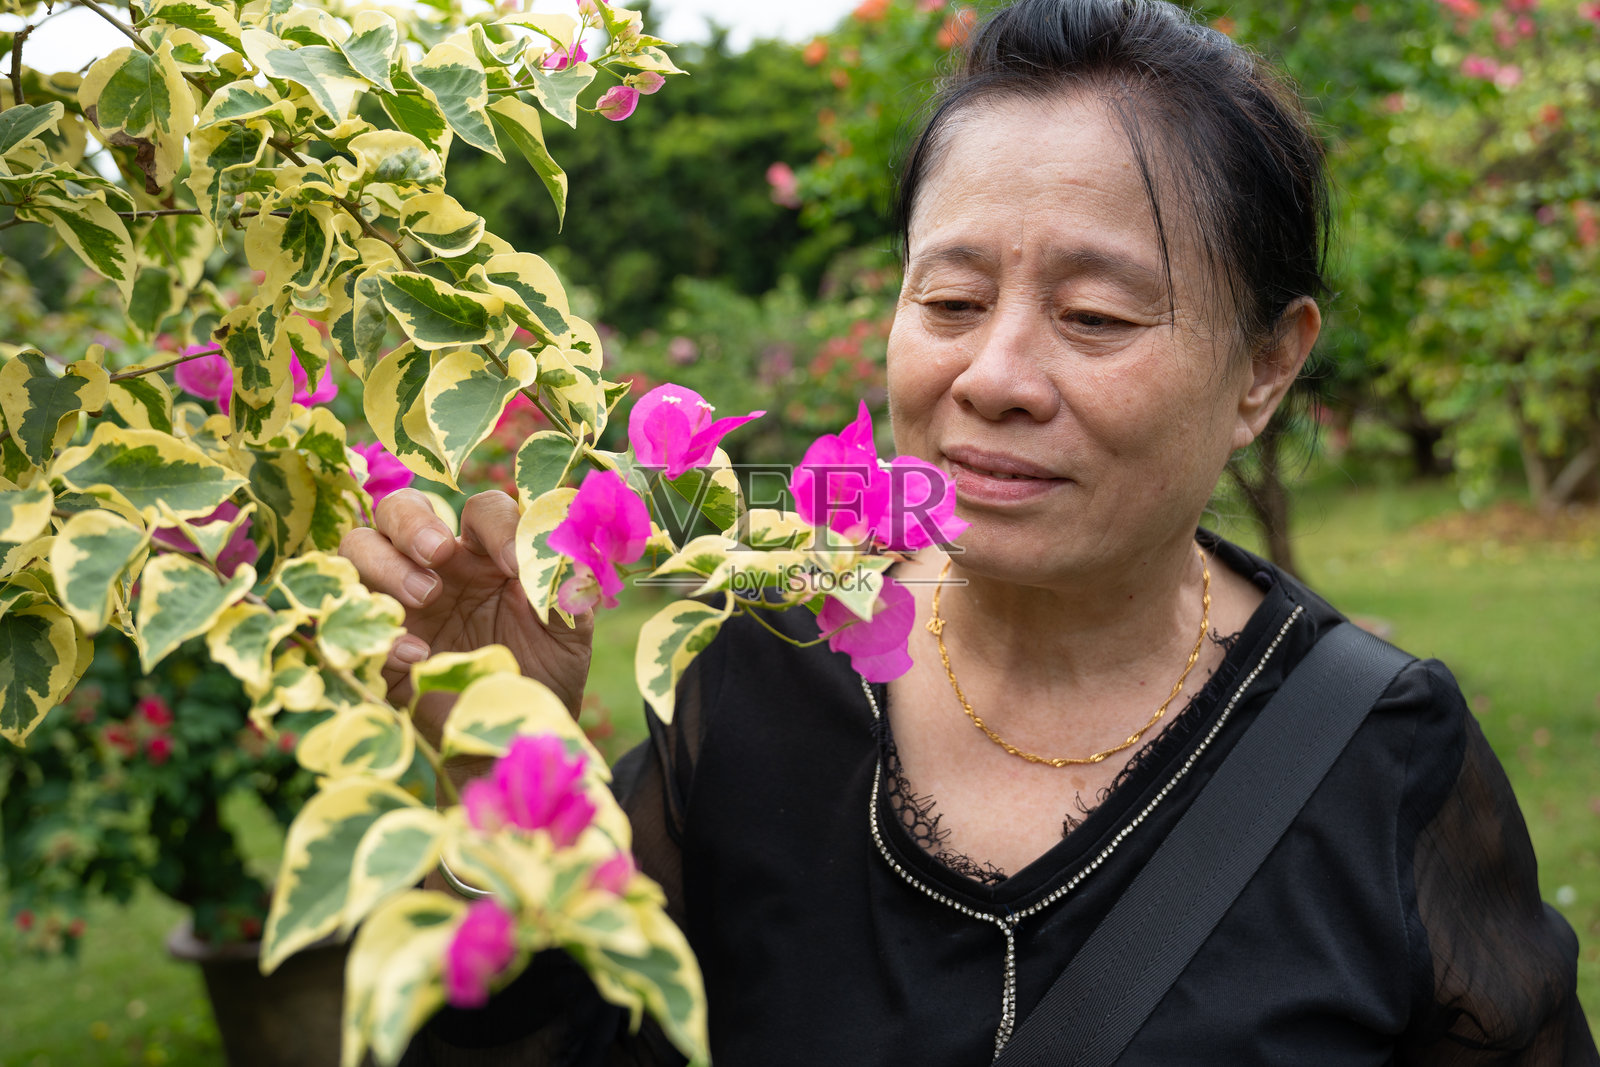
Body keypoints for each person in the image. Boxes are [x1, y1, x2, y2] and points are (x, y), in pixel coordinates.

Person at [345, 0, 1599, 1062]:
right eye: (949, 297)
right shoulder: (764, 675)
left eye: (1096, 317)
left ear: (1265, 368)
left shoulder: (1379, 758)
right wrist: (493, 757)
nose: (993, 374)